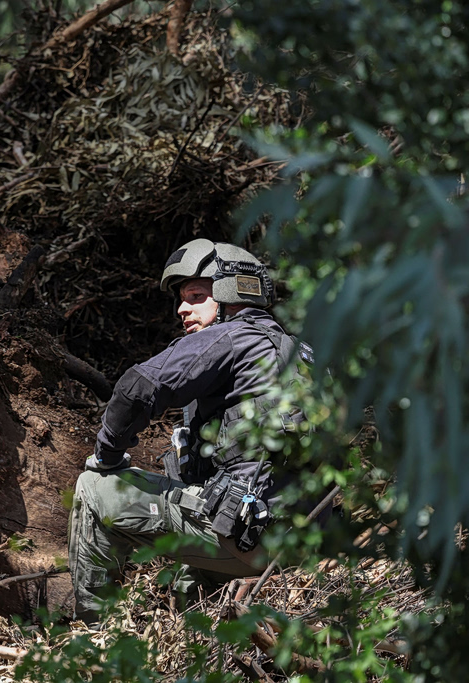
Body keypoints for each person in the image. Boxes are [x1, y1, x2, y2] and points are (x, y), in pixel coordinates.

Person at [68, 238, 313, 622]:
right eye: (182, 299)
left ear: (231, 294)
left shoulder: (231, 335)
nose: (182, 309)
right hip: (301, 547)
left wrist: (107, 456)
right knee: (185, 584)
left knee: (93, 488)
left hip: (247, 539)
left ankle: (93, 632)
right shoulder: (300, 353)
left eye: (196, 296)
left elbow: (136, 388)